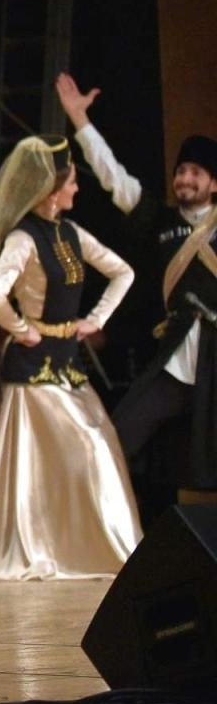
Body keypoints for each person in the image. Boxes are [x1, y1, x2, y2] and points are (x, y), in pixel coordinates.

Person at [0, 135, 139, 580]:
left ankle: (91, 548)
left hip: (67, 361)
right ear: (52, 189)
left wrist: (96, 319)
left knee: (97, 446)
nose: (76, 188)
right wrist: (21, 329)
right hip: (31, 370)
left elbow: (123, 271)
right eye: (71, 181)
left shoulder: (71, 233)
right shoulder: (23, 238)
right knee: (74, 453)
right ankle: (51, 548)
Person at [57, 73, 217, 519]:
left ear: (214, 184)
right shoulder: (160, 219)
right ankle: (98, 529)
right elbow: (113, 177)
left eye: (196, 172)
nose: (185, 178)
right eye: (181, 171)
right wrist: (79, 121)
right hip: (175, 359)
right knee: (119, 434)